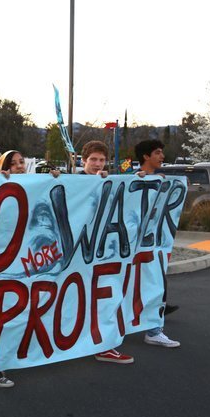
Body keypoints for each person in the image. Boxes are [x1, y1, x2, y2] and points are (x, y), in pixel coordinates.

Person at [75, 141, 135, 363]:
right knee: (75, 299)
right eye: (93, 159)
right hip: (77, 253)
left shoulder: (110, 182)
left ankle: (103, 345)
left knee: (104, 299)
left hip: (102, 253)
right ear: (83, 161)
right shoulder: (72, 183)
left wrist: (139, 180)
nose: (97, 164)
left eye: (101, 160)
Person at [135, 139, 181, 348]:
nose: (162, 156)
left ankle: (154, 331)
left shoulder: (162, 180)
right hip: (131, 248)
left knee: (155, 285)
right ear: (146, 156)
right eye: (157, 152)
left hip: (152, 246)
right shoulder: (133, 179)